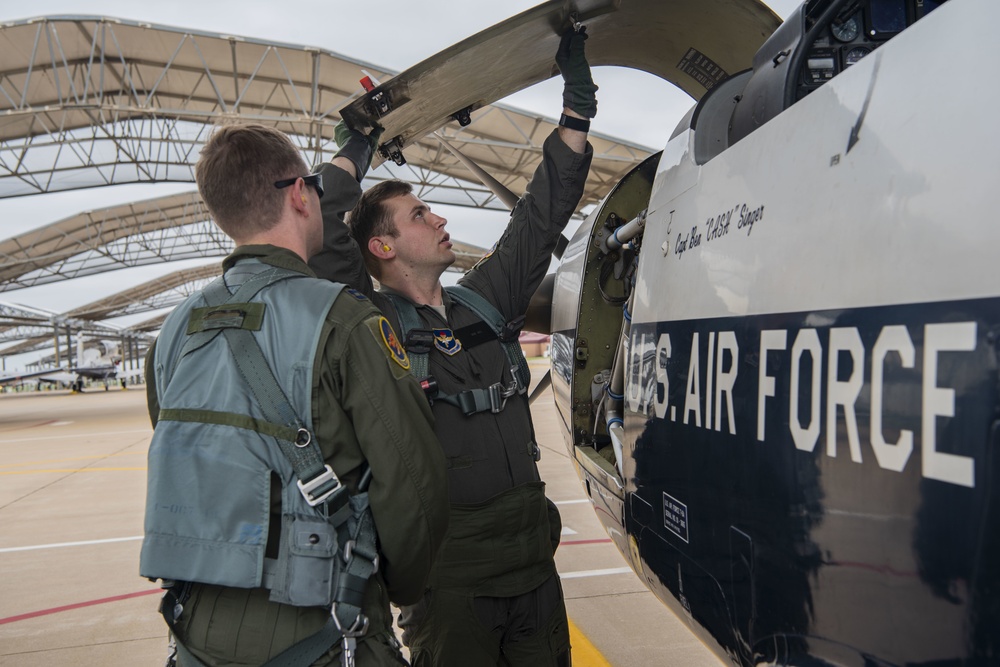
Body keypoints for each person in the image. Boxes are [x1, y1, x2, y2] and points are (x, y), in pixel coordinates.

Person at [310, 28, 597, 667]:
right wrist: (356, 153)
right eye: (419, 215)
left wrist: (575, 115)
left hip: (533, 571)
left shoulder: (483, 300)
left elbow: (539, 219)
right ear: (381, 247)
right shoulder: (370, 323)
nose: (439, 219)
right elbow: (330, 239)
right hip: (450, 589)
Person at [140, 123, 449, 667]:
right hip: (324, 622)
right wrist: (392, 586)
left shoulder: (174, 331)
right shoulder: (346, 319)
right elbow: (413, 483)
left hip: (197, 631)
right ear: (300, 196)